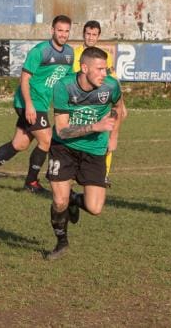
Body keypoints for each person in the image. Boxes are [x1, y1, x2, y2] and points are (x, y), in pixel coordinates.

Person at [0, 15, 74, 192]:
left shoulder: (69, 53)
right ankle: (31, 182)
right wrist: (29, 104)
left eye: (66, 31)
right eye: (60, 30)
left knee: (19, 144)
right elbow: (25, 79)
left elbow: (66, 81)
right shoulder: (40, 51)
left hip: (41, 104)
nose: (63, 34)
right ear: (52, 30)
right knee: (47, 140)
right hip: (28, 102)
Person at [46, 47, 123, 260]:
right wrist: (94, 127)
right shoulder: (64, 86)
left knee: (95, 208)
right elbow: (61, 129)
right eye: (99, 69)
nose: (104, 74)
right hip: (64, 148)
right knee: (59, 201)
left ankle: (74, 199)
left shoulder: (110, 86)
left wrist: (114, 136)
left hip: (95, 150)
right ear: (84, 67)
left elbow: (118, 107)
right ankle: (61, 242)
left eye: (105, 69)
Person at [72, 20, 127, 187]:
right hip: (79, 103)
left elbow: (113, 81)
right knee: (78, 136)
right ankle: (75, 171)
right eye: (88, 34)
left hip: (100, 102)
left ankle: (103, 174)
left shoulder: (105, 57)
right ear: (83, 34)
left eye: (94, 34)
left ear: (98, 36)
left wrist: (122, 104)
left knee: (105, 136)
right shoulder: (75, 55)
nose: (90, 37)